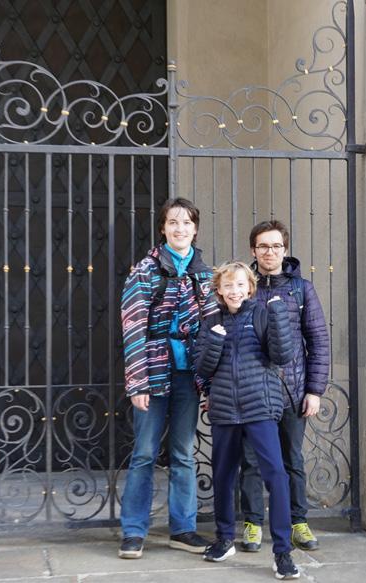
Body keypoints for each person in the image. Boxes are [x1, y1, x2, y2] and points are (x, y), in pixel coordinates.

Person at [118, 197, 218, 559]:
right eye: (173, 222)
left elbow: (213, 328)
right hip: (152, 372)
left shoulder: (205, 273)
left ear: (195, 228)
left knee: (183, 453)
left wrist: (210, 383)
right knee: (144, 453)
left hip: (188, 375)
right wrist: (137, 383)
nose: (180, 229)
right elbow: (133, 327)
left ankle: (183, 529)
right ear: (163, 228)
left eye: (187, 222)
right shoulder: (145, 270)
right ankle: (133, 531)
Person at [194, 261, 301, 580]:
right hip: (225, 411)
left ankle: (282, 552)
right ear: (218, 289)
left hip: (260, 409)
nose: (234, 290)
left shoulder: (262, 314)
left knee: (276, 475)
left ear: (250, 288)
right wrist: (215, 341)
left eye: (240, 284)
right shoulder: (210, 321)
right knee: (223, 476)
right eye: (228, 285)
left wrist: (279, 315)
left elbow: (282, 356)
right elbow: (202, 368)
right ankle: (224, 539)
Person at [239, 220, 330, 553]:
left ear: (285, 250)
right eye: (263, 246)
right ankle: (252, 524)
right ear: (253, 250)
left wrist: (314, 390)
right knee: (251, 460)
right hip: (252, 390)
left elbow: (318, 340)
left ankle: (298, 523)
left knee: (292, 460)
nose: (270, 252)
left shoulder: (301, 289)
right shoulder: (244, 287)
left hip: (292, 389)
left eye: (276, 246)